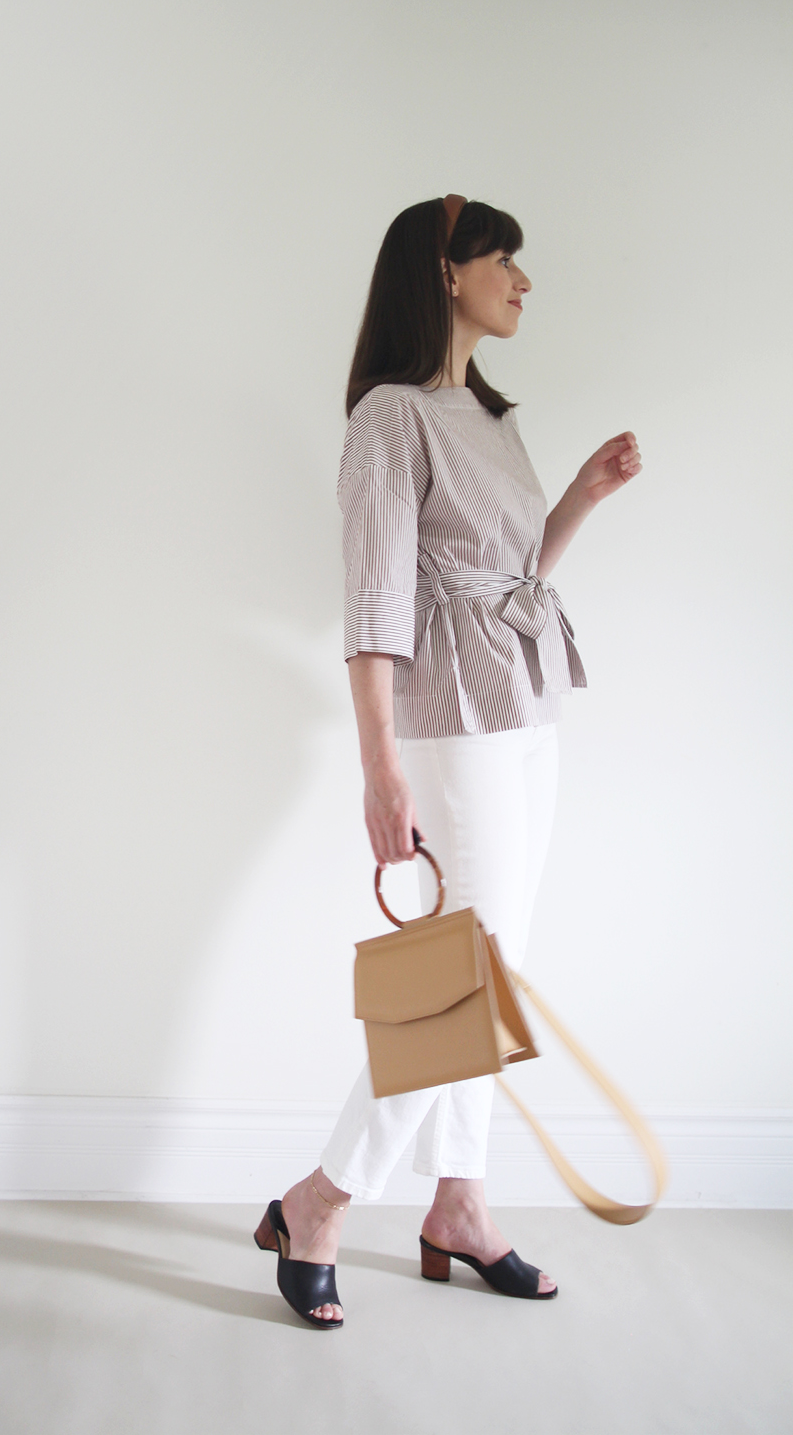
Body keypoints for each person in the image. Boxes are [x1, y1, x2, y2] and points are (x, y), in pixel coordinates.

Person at [254, 194, 642, 1327]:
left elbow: (513, 569)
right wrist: (380, 767)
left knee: (494, 972)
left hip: (523, 707)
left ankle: (459, 1203)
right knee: (461, 980)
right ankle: (319, 1198)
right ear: (444, 270)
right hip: (447, 717)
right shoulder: (387, 416)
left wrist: (577, 496)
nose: (521, 283)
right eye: (503, 261)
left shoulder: (483, 414)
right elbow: (375, 596)